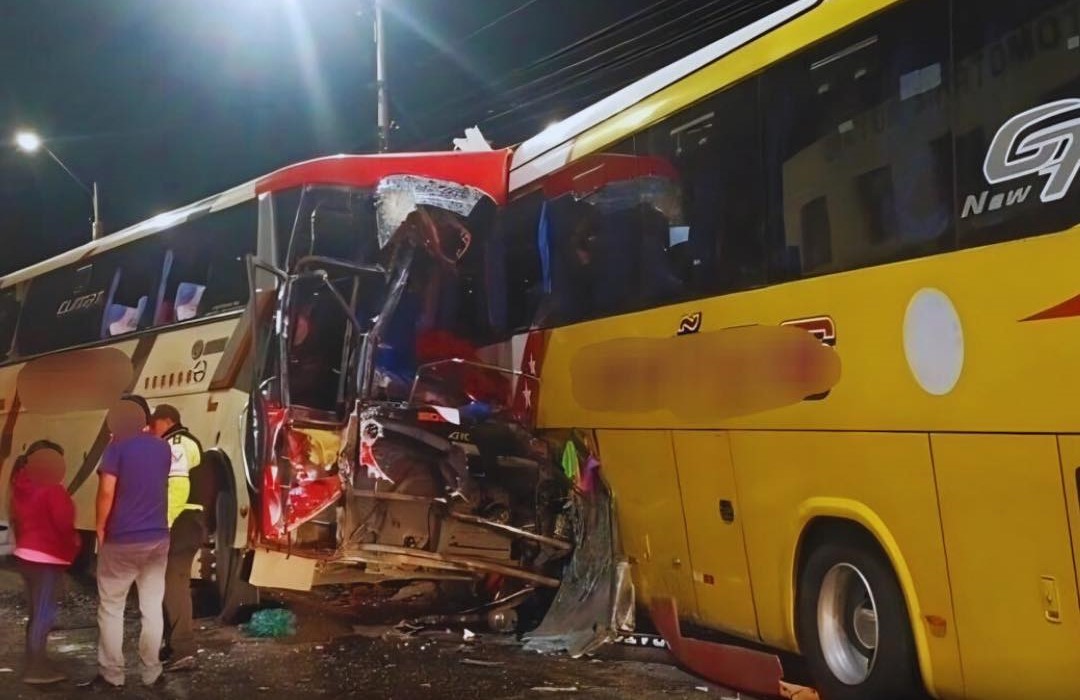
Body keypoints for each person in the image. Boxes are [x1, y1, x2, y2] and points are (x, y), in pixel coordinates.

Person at [81, 394, 171, 690]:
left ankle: (112, 674)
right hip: (157, 538)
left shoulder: (116, 447)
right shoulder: (163, 447)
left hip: (122, 538)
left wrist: (100, 527)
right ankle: (152, 672)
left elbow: (107, 491)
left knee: (112, 607)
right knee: (152, 607)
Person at [150, 404, 215, 672]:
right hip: (188, 521)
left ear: (167, 421)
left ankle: (183, 649)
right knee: (169, 585)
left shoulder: (177, 443)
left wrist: (164, 524)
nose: (151, 429)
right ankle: (172, 646)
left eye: (154, 424)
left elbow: (177, 488)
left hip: (181, 522)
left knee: (173, 585)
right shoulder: (180, 442)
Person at [9, 440, 79, 685]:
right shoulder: (53, 490)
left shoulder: (22, 485)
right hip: (47, 558)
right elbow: (63, 524)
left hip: (26, 556)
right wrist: (73, 543)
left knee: (36, 613)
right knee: (44, 615)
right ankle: (36, 669)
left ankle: (35, 660)